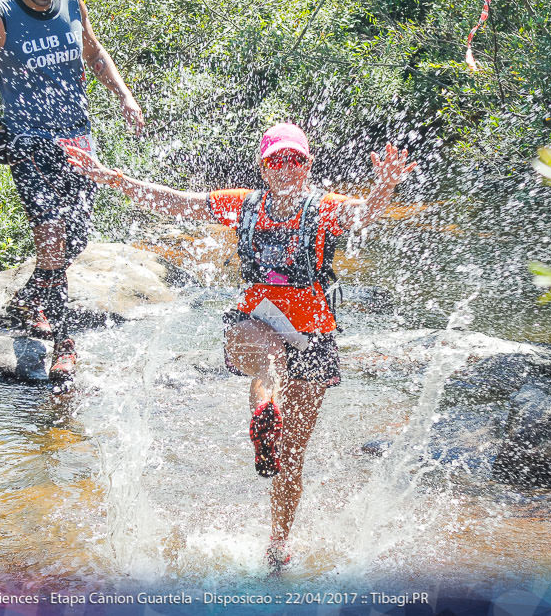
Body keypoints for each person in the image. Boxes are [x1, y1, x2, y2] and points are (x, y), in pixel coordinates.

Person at [64, 122, 415, 573]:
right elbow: (176, 202)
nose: (287, 168)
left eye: (296, 159)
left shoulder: (325, 209)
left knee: (292, 456)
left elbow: (365, 214)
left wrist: (385, 183)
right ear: (263, 167)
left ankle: (277, 543)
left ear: (308, 166)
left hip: (313, 331)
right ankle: (263, 414)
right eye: (277, 160)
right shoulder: (242, 205)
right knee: (268, 360)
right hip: (254, 319)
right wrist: (112, 177)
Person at [0, 0, 144, 383]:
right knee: (52, 232)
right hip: (26, 139)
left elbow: (93, 52)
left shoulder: (72, 4)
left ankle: (32, 295)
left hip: (77, 138)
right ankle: (64, 341)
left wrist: (125, 97)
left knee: (75, 237)